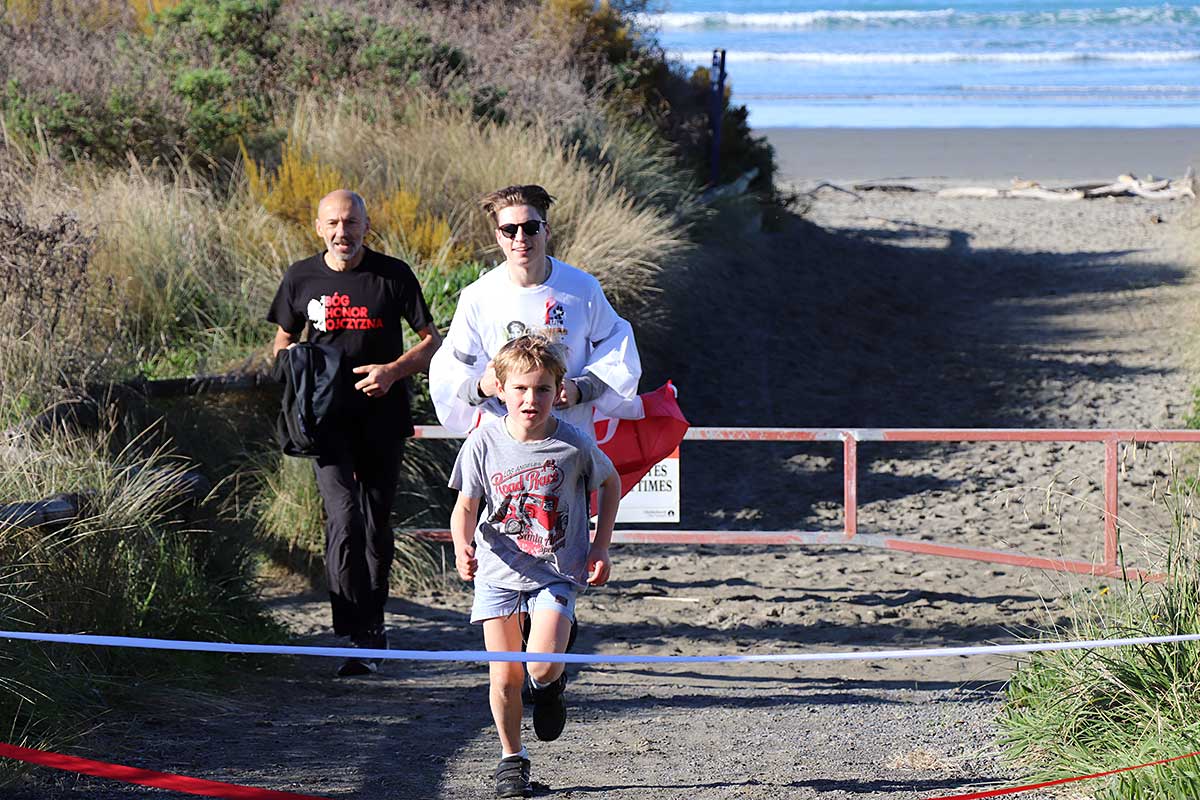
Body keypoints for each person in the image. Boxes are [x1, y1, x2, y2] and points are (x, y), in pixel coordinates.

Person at [267, 189, 442, 678]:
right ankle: (352, 627)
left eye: (350, 222)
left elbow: (432, 341)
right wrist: (293, 366)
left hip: (383, 418)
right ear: (318, 228)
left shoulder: (393, 275)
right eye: (333, 223)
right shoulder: (301, 277)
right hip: (325, 423)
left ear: (366, 226)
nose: (342, 232)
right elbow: (282, 341)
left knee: (375, 522)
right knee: (343, 517)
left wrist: (392, 371)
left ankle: (373, 627)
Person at [449, 334, 619, 799]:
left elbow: (611, 483)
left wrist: (600, 547)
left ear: (559, 390)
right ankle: (512, 759)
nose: (531, 399)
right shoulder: (483, 442)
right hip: (498, 573)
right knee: (505, 676)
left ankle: (550, 684)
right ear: (500, 390)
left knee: (540, 668)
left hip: (554, 570)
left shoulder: (573, 444)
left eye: (542, 389)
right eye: (520, 389)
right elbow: (465, 507)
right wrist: (463, 545)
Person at [428, 184, 642, 438]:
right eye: (509, 230)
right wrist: (483, 387)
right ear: (498, 237)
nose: (520, 238)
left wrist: (581, 389)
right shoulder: (477, 297)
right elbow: (450, 375)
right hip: (503, 442)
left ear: (546, 231)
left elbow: (618, 348)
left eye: (530, 227)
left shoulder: (582, 288)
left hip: (570, 440)